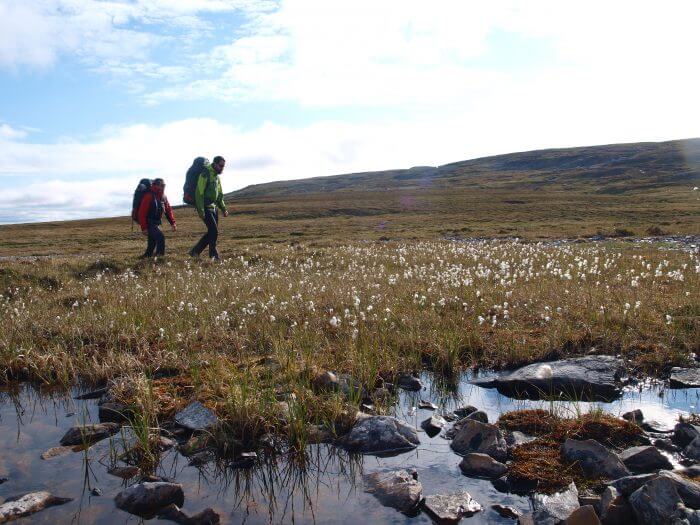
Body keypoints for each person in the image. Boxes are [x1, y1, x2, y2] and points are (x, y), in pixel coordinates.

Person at [190, 155, 228, 260]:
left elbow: (219, 194)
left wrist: (223, 208)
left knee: (212, 232)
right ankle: (214, 256)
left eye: (223, 166)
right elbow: (199, 193)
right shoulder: (205, 174)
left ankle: (195, 251)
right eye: (221, 166)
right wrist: (201, 210)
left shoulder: (216, 177)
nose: (222, 168)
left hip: (214, 207)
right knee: (214, 231)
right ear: (215, 164)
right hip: (205, 207)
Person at [137, 178, 177, 257]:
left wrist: (173, 223)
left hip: (156, 223)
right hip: (149, 223)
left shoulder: (163, 197)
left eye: (164, 185)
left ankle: (146, 257)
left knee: (152, 244)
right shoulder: (149, 196)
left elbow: (168, 210)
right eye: (162, 185)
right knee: (160, 237)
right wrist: (144, 228)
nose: (164, 187)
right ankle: (159, 259)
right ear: (156, 185)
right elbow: (142, 213)